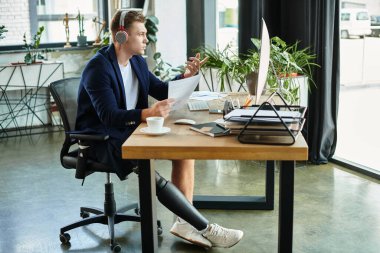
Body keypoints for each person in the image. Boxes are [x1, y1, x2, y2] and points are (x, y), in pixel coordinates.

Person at [75, 10, 243, 249]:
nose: (146, 39)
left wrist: (185, 76)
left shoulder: (137, 63)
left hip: (129, 131)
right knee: (146, 165)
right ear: (121, 36)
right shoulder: (98, 68)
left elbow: (162, 90)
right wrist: (148, 113)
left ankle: (184, 223)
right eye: (141, 34)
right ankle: (206, 228)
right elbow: (109, 116)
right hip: (100, 140)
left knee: (183, 151)